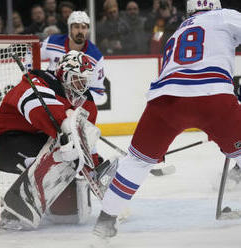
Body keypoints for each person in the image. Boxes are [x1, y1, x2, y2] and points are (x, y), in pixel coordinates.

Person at [92, 0, 241, 242]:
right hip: (213, 96)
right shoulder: (223, 16)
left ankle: (106, 221)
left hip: (165, 100)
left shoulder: (179, 30)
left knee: (136, 162)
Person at [0, 50, 102, 229]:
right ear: (64, 74)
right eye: (77, 78)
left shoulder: (87, 103)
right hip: (4, 144)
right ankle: (15, 209)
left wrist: (94, 164)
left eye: (85, 80)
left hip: (39, 142)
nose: (82, 85)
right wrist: (68, 128)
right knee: (62, 153)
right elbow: (41, 112)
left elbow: (83, 140)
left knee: (69, 156)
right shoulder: (38, 83)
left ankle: (31, 204)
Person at [41, 11, 106, 105]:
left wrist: (76, 101)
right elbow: (31, 53)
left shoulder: (95, 56)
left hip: (74, 103)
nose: (80, 31)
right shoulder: (52, 42)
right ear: (69, 28)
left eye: (84, 27)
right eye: (76, 27)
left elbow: (98, 91)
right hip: (50, 94)